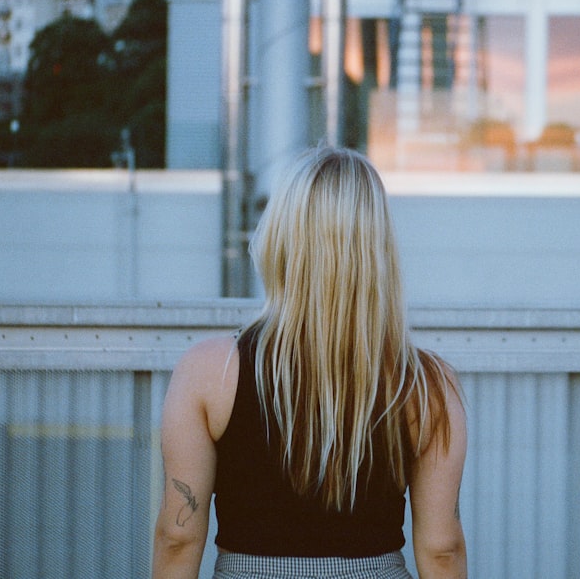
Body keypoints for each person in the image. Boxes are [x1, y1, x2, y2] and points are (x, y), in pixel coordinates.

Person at [151, 147, 468, 579]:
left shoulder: (209, 371)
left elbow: (178, 536)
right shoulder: (427, 386)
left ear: (282, 239)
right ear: (378, 252)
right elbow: (441, 549)